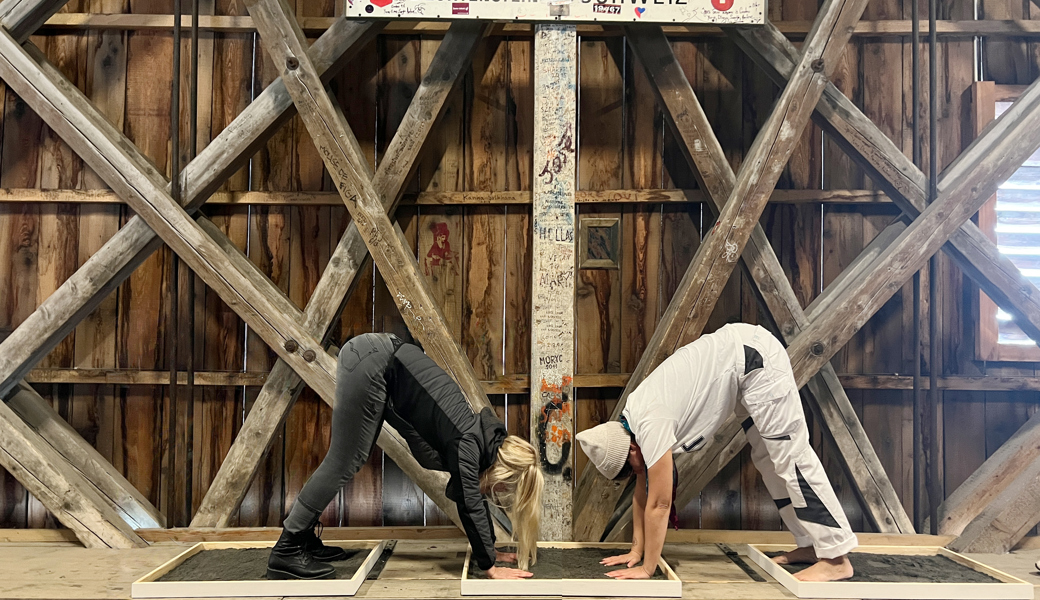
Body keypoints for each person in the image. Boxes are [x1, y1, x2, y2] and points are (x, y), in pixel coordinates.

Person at [576, 323, 857, 583]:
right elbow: (642, 492)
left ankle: (835, 558)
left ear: (632, 448)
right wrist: (636, 551)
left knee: (790, 457)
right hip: (740, 370)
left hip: (754, 360)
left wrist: (647, 568)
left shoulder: (650, 423)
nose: (637, 472)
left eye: (631, 466)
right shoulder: (633, 423)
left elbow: (659, 504)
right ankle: (810, 544)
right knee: (768, 460)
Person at [267, 332, 543, 581]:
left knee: (356, 459)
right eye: (507, 486)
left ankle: (302, 538)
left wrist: (490, 549)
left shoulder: (479, 439)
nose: (501, 493)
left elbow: (470, 496)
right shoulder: (468, 444)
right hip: (373, 361)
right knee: (345, 460)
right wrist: (490, 567)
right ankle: (287, 548)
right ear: (502, 471)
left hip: (378, 357)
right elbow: (470, 502)